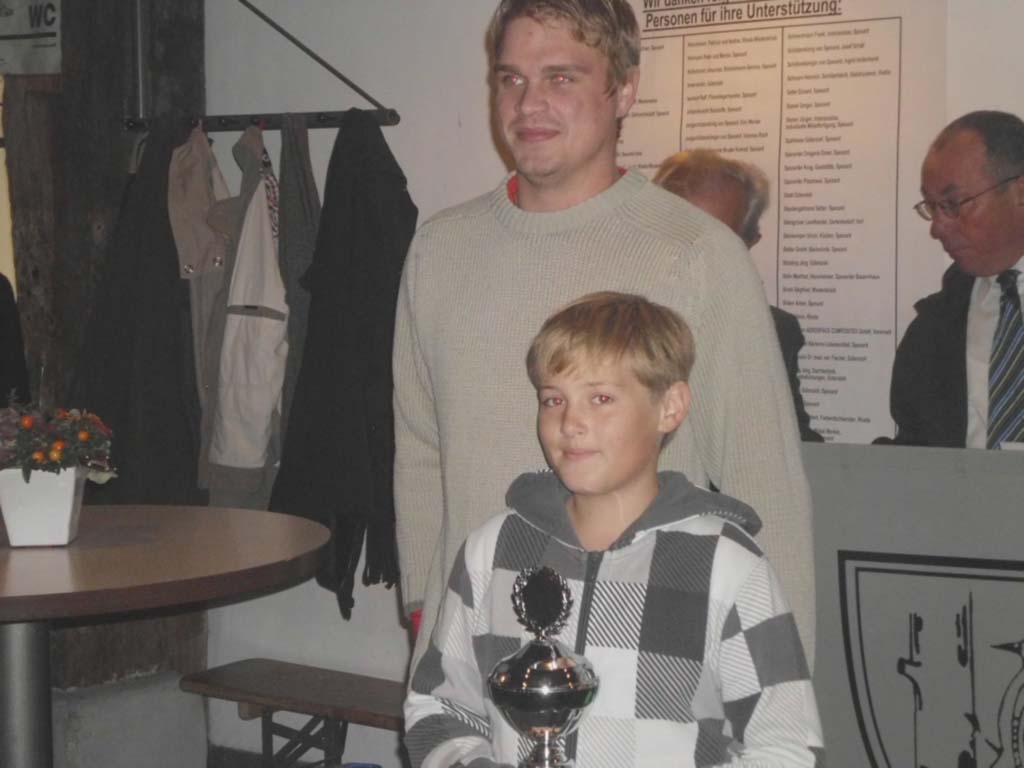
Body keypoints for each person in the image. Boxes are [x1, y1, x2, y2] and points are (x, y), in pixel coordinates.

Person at [392, 0, 815, 666]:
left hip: (644, 661)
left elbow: (766, 486)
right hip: (473, 653)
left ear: (624, 90)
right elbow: (421, 448)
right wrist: (427, 614)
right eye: (511, 78)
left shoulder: (697, 254)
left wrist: (779, 681)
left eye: (561, 77)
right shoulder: (438, 250)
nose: (528, 103)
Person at [403, 292, 825, 767]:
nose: (570, 422)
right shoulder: (493, 550)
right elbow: (440, 708)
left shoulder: (728, 564)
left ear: (670, 407)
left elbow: (787, 747)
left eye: (600, 398)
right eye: (553, 399)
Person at [653, 149, 824, 442]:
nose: (693, 252)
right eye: (681, 232)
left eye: (716, 239)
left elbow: (790, 440)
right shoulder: (608, 320)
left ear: (748, 243)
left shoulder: (773, 329)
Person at [880, 110, 1024, 448]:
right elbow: (918, 451)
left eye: (953, 204)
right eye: (932, 207)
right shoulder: (933, 329)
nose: (938, 227)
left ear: (1019, 192)